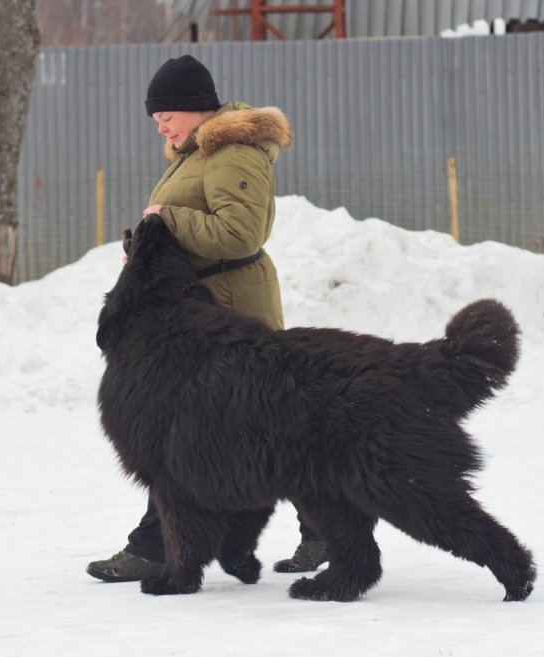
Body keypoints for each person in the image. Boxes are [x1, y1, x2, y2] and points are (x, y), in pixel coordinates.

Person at [87, 54, 328, 583]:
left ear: (196, 108)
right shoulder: (193, 151)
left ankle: (155, 547)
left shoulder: (230, 151)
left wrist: (164, 219)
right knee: (238, 434)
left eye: (166, 114)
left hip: (230, 309)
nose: (160, 125)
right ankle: (321, 529)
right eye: (156, 119)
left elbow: (240, 233)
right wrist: (144, 246)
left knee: (204, 437)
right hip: (199, 315)